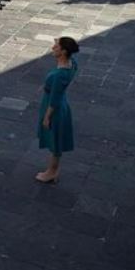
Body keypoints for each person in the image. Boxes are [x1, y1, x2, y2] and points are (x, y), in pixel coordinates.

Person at [35, 37, 79, 184]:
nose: (53, 48)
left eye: (56, 46)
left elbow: (54, 100)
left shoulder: (60, 74)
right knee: (56, 138)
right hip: (61, 103)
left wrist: (47, 117)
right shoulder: (72, 63)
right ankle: (52, 170)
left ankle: (52, 171)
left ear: (63, 51)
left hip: (54, 107)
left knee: (55, 140)